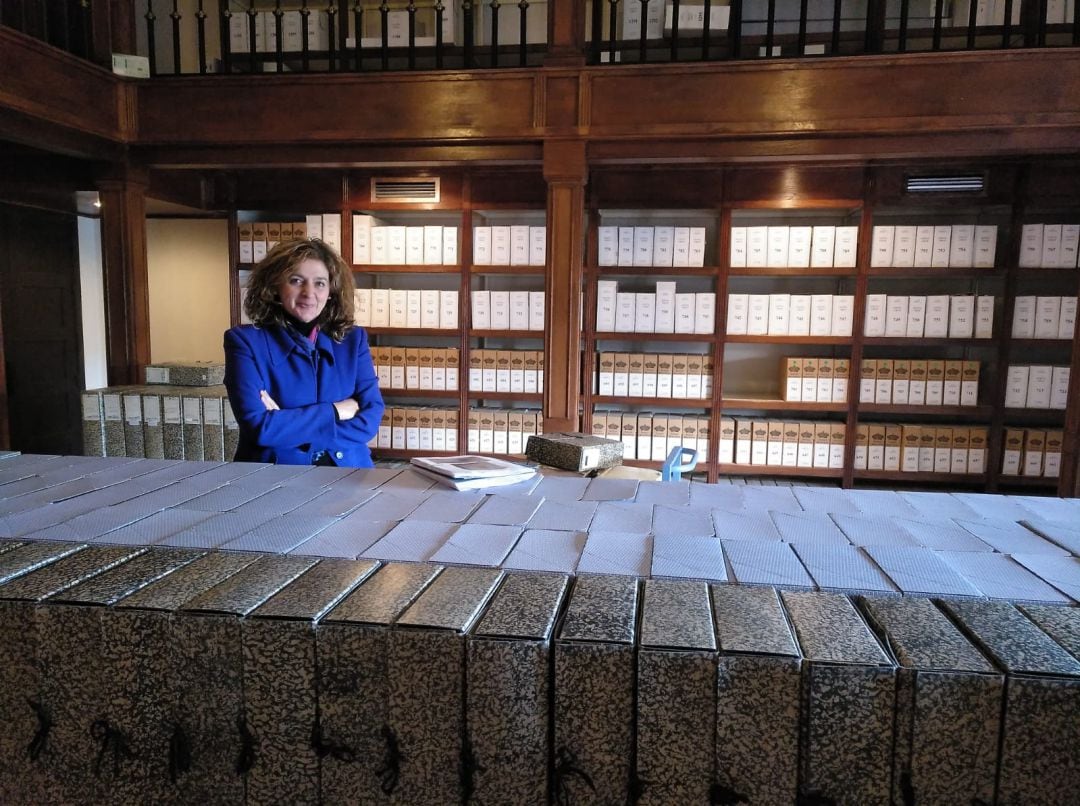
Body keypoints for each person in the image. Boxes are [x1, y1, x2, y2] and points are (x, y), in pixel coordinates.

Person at [224, 237, 384, 466]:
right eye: (296, 280)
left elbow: (370, 417)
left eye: (320, 283)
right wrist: (336, 411)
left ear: (331, 291)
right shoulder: (244, 342)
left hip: (350, 475)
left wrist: (285, 425)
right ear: (275, 287)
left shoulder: (352, 340)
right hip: (274, 478)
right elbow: (260, 428)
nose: (309, 293)